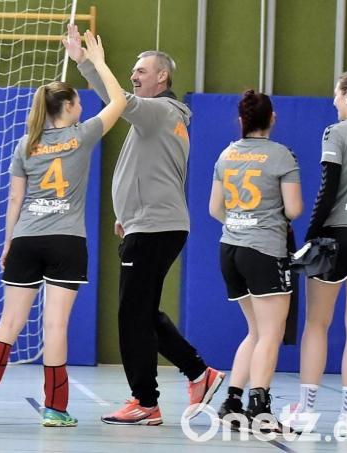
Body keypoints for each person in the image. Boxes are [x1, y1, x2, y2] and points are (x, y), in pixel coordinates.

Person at [64, 24, 224, 425]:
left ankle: (145, 401)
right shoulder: (156, 117)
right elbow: (147, 167)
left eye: (141, 70)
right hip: (148, 223)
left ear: (162, 78)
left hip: (154, 226)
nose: (134, 75)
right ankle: (199, 373)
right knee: (143, 311)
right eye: (133, 71)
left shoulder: (160, 111)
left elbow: (117, 100)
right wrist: (130, 213)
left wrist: (91, 63)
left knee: (131, 315)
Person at [0, 30, 125, 427]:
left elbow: (14, 201)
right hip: (67, 241)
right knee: (55, 326)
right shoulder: (81, 135)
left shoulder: (26, 144)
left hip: (26, 239)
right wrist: (96, 60)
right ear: (69, 106)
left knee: (9, 322)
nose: (80, 107)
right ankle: (55, 409)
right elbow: (120, 102)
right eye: (77, 103)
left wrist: (8, 243)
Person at [283, 69, 347, 438]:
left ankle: (307, 412)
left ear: (346, 95)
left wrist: (310, 238)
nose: (332, 101)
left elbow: (327, 191)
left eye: (335, 94)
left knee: (317, 324)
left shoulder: (337, 132)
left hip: (336, 237)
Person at [208, 90, 302, 431]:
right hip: (264, 250)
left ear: (241, 121)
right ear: (272, 118)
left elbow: (215, 209)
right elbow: (293, 210)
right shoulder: (281, 156)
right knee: (271, 334)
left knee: (256, 330)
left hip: (230, 249)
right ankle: (259, 410)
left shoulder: (226, 154)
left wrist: (242, 222)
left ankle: (232, 400)